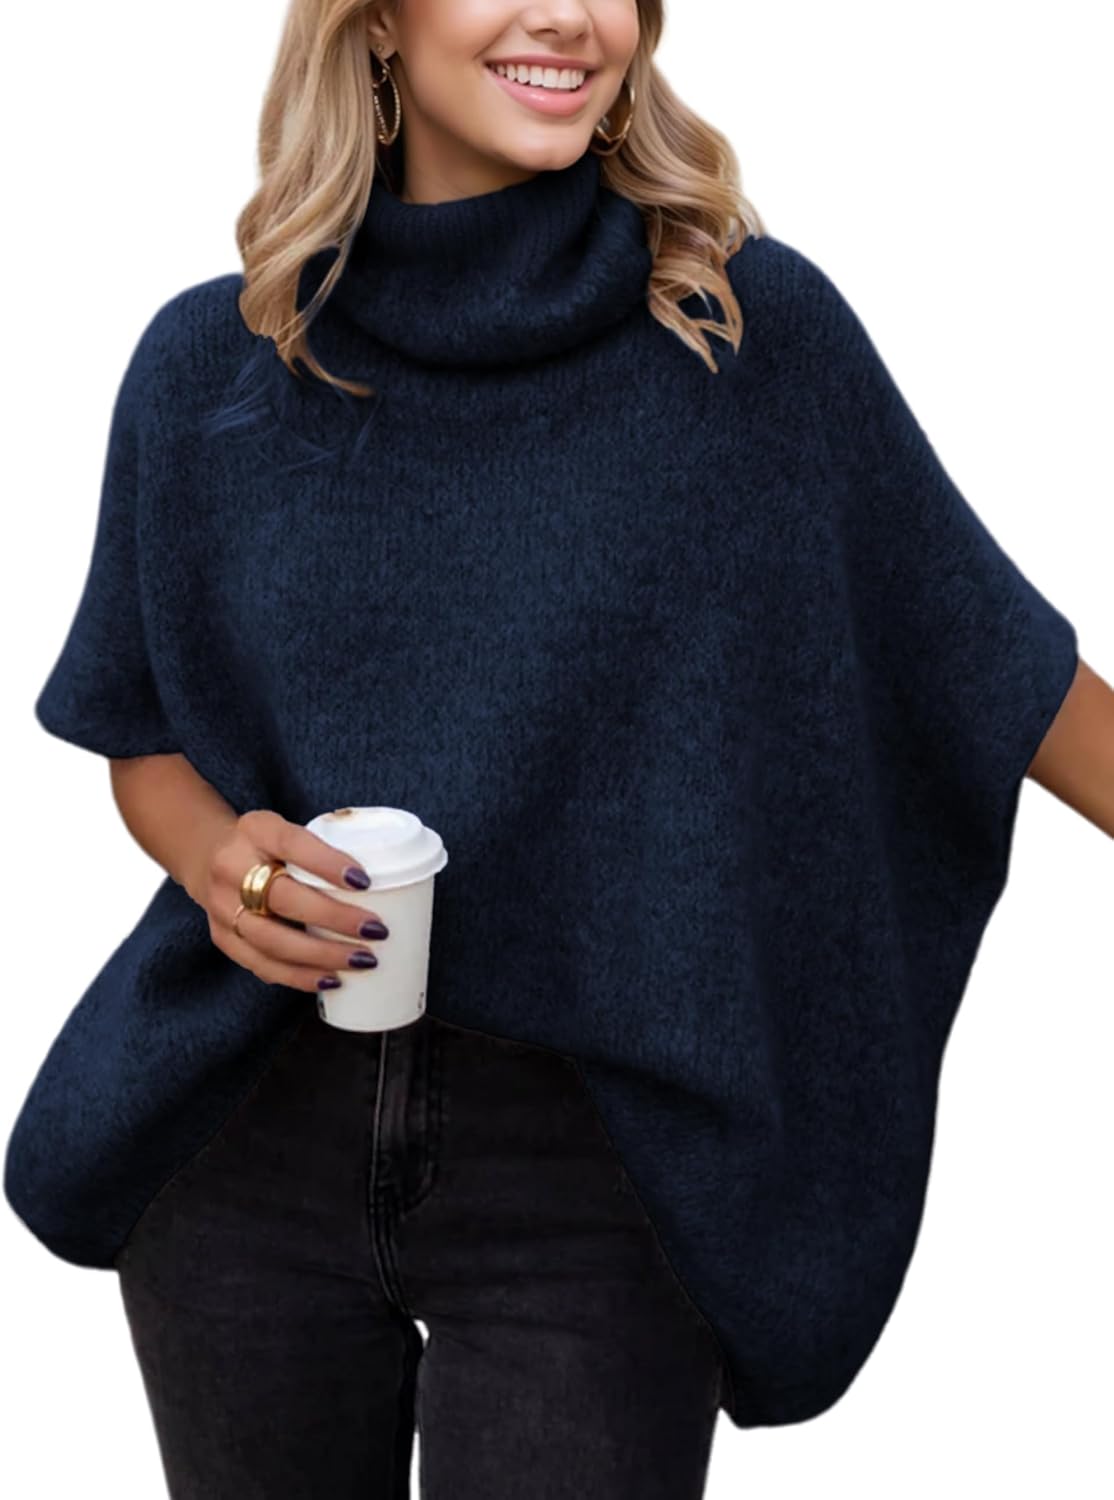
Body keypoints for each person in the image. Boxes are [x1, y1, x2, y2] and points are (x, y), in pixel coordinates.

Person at [7, 2, 1111, 1497]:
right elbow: (141, 735)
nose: (564, 15)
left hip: (594, 1177)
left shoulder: (741, 335)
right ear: (377, 22)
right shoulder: (214, 362)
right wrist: (224, 867)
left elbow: (994, 671)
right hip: (243, 1140)